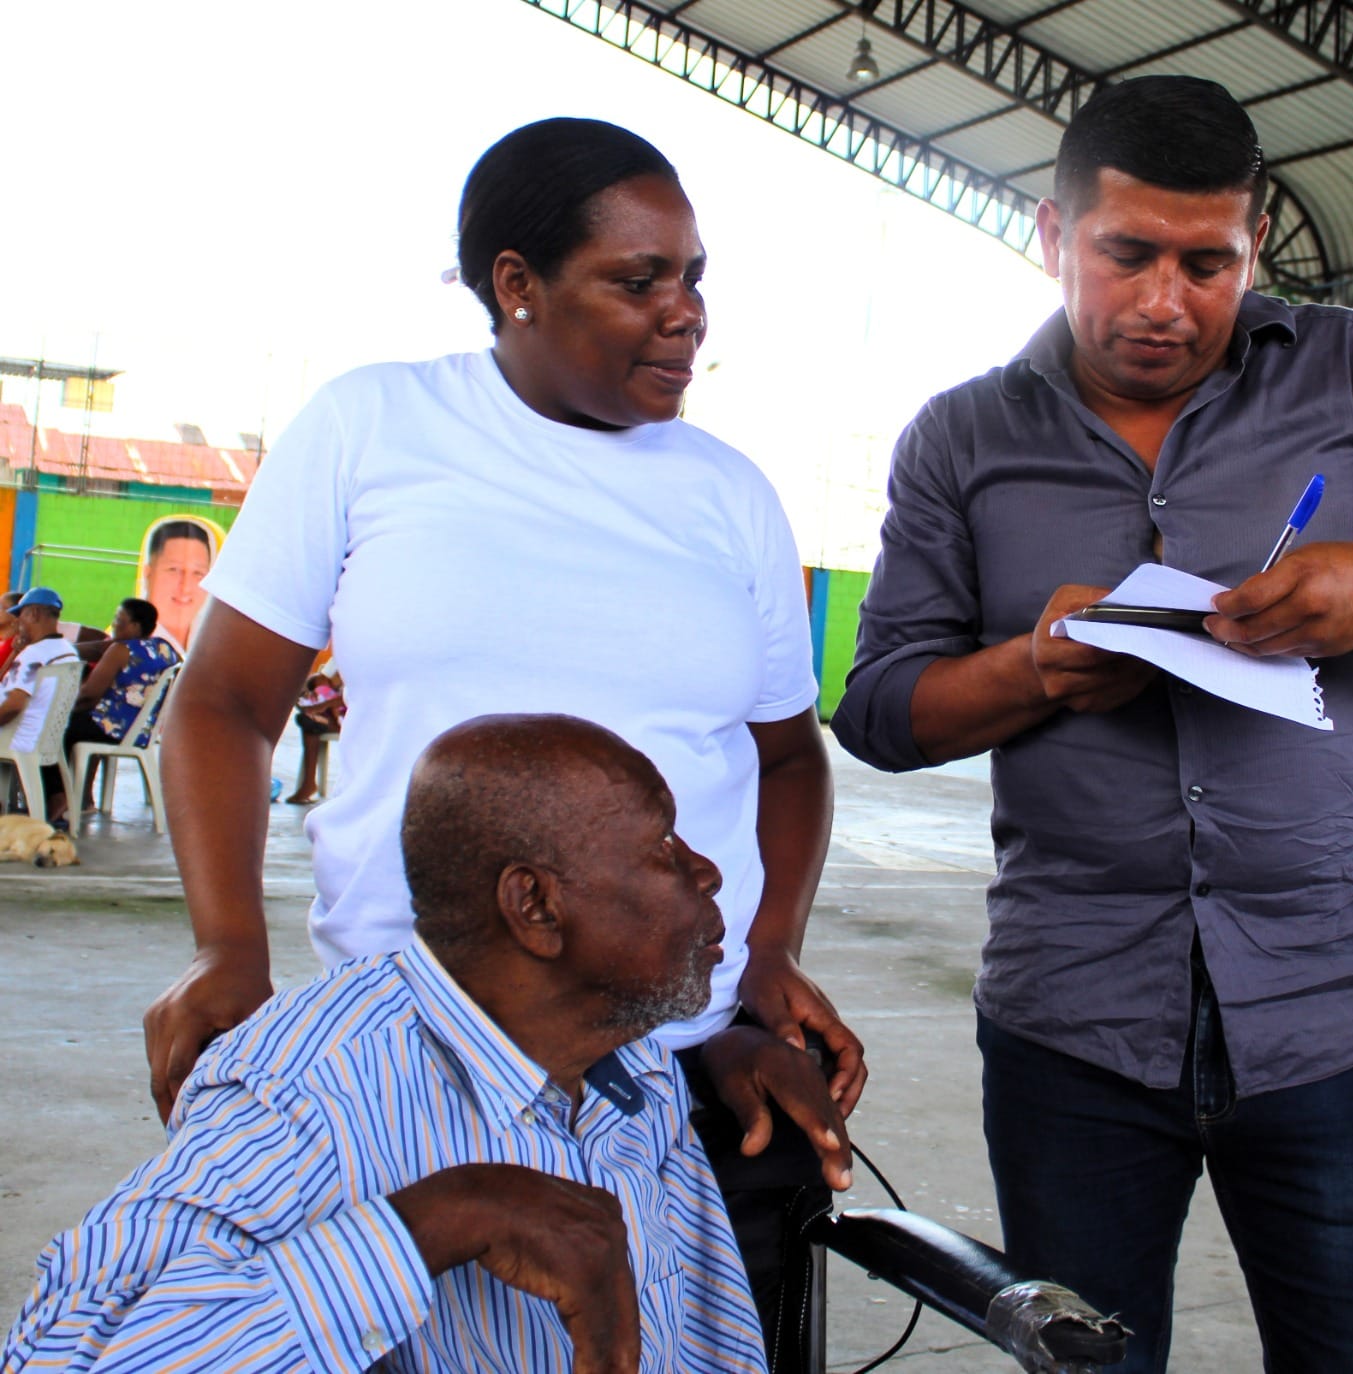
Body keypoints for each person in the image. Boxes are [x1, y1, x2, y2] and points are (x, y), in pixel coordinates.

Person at [832, 74, 1353, 1374]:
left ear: (1254, 245)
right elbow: (879, 711)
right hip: (1074, 1027)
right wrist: (1033, 668)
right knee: (1088, 1360)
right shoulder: (963, 438)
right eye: (1127, 254)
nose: (1165, 301)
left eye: (1209, 264)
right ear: (1054, 233)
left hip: (1339, 1014)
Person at [144, 117, 864, 1355]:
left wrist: (766, 949)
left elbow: (788, 756)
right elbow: (223, 705)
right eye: (638, 280)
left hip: (682, 1064)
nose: (686, 314)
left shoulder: (727, 493)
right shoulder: (374, 429)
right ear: (516, 284)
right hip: (414, 1062)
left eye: (694, 278)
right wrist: (227, 946)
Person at [5, 714, 852, 1372]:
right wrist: (436, 1222)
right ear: (535, 907)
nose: (707, 871)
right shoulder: (306, 1095)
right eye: (663, 846)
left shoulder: (619, 1048)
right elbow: (58, 1354)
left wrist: (722, 1055)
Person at [56, 597, 180, 820]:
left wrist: (61, 711)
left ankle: (59, 799)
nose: (113, 624)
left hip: (113, 728)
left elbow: (88, 696)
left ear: (135, 626)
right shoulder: (165, 648)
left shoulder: (121, 650)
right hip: (141, 730)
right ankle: (83, 797)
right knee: (81, 724)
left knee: (55, 730)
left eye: (119, 620)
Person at [0, 589, 82, 760]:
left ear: (34, 614)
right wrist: (16, 652)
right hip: (39, 739)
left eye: (21, 615)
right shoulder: (68, 651)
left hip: (13, 740)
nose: (18, 621)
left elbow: (14, 706)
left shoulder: (34, 654)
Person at [140, 517, 215, 654]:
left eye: (198, 573)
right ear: (148, 573)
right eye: (173, 570)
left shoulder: (215, 638)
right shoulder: (130, 643)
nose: (185, 587)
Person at [283, 662, 344, 805]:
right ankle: (308, 783)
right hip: (334, 715)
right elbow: (320, 677)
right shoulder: (339, 658)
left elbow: (358, 696)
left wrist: (323, 705)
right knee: (308, 721)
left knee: (310, 723)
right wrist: (307, 692)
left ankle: (308, 784)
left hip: (357, 718)